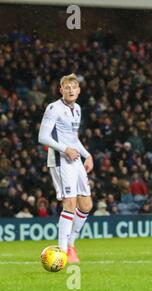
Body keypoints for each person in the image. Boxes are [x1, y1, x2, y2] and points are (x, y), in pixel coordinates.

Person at [38, 73, 94, 263]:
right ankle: (63, 252)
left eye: (74, 87)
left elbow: (73, 138)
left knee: (86, 205)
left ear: (78, 91)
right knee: (69, 203)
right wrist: (65, 149)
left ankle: (71, 244)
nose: (70, 90)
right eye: (66, 87)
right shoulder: (53, 108)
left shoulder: (77, 109)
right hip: (60, 160)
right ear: (60, 90)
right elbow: (43, 137)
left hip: (75, 159)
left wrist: (87, 155)